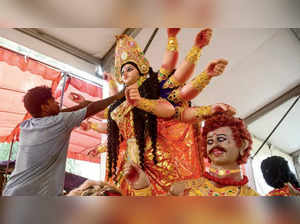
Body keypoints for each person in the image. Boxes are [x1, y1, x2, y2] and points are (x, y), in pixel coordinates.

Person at [70, 28, 234, 195]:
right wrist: (89, 119)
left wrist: (199, 59)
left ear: (141, 69)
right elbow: (113, 126)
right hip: (127, 164)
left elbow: (178, 102)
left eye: (129, 69)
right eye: (122, 71)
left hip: (157, 158)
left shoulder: (156, 88)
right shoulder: (119, 103)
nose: (125, 73)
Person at [2, 85, 124, 196]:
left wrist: (81, 105)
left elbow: (61, 114)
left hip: (12, 191)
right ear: (44, 107)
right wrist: (118, 96)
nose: (57, 104)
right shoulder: (59, 122)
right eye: (53, 101)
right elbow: (92, 109)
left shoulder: (26, 125)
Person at [125, 113, 259, 196]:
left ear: (242, 145)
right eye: (210, 141)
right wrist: (142, 187)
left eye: (222, 139)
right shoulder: (182, 189)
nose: (214, 145)